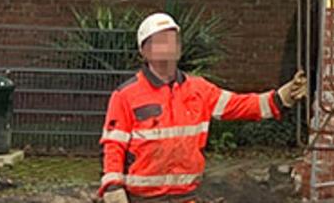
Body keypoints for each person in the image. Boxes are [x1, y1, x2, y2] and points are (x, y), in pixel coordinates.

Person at [99, 11, 310, 203]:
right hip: (143, 199)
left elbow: (240, 105)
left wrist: (282, 97)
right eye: (161, 41)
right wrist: (113, 188)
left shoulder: (199, 90)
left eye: (173, 41)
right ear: (144, 51)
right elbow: (113, 146)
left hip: (187, 196)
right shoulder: (125, 96)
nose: (169, 47)